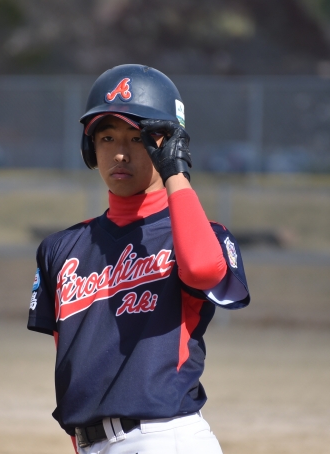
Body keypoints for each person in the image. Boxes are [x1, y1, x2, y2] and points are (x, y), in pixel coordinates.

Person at [27, 64, 250, 454]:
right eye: (106, 137)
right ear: (89, 149)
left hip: (164, 437)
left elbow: (202, 269)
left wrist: (175, 172)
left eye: (137, 138)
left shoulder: (203, 236)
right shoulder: (60, 248)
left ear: (167, 144)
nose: (119, 153)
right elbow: (72, 364)